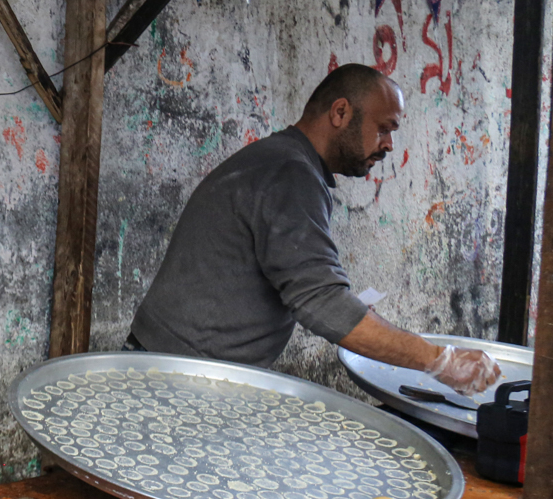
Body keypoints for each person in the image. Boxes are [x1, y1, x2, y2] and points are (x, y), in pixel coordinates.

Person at [128, 63, 500, 396]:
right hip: (176, 380)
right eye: (384, 129)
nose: (388, 145)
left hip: (169, 364)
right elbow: (323, 303)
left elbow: (301, 286)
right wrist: (441, 361)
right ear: (340, 112)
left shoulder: (281, 161)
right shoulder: (290, 175)